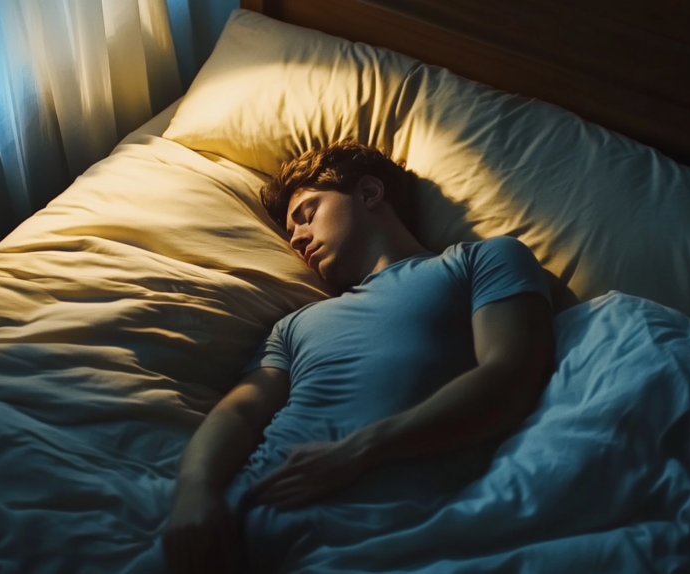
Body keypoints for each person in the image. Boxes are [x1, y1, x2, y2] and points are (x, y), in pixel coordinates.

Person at [162, 141, 556, 573]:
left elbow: (510, 374)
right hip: (224, 537)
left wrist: (361, 451)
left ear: (369, 194)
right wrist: (195, 491)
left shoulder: (479, 260)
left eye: (307, 213)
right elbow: (239, 412)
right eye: (291, 232)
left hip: (370, 539)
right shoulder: (295, 323)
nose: (295, 238)